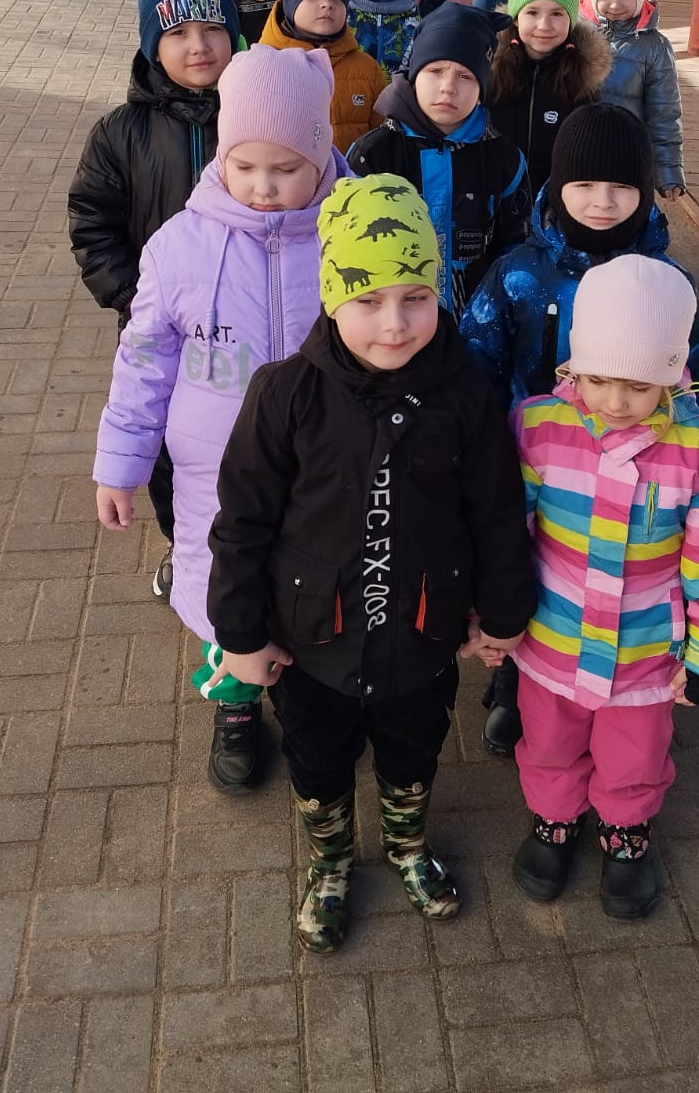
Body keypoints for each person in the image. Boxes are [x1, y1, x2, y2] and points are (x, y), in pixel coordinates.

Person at [205, 175, 537, 953]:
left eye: (416, 298)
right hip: (310, 645)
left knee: (414, 752)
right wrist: (241, 635)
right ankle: (328, 862)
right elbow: (243, 523)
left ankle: (407, 844)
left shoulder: (465, 397)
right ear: (331, 296)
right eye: (368, 299)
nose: (395, 323)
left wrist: (503, 615)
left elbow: (495, 513)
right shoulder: (285, 394)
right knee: (317, 761)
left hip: (422, 639)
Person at [93, 45, 344, 795]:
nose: (264, 187)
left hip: (325, 466)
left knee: (317, 585)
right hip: (217, 473)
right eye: (245, 166)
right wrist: (121, 465)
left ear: (321, 155)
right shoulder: (180, 246)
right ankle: (233, 700)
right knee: (225, 589)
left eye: (286, 169)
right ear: (221, 156)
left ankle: (318, 698)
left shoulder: (351, 235)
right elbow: (143, 363)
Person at [458, 103, 699, 757]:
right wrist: (475, 453)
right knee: (534, 571)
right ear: (558, 185)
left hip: (642, 470)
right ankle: (517, 680)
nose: (603, 201)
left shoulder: (670, 285)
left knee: (615, 579)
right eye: (585, 184)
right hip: (537, 466)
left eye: (622, 186)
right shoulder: (518, 272)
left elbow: (696, 381)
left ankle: (630, 696)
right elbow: (476, 364)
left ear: (644, 190)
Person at [510, 254, 699, 919]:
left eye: (638, 385)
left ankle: (625, 828)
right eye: (598, 379)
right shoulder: (538, 429)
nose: (615, 402)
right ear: (574, 364)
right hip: (553, 637)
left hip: (644, 653)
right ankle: (554, 817)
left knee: (635, 753)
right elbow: (505, 534)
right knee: (549, 740)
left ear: (672, 373)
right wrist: (491, 614)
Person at [69, 0, 241, 599]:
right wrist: (132, 295)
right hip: (162, 332)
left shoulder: (257, 114)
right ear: (151, 45)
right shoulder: (121, 133)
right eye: (177, 33)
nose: (199, 46)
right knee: (174, 447)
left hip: (246, 327)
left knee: (250, 438)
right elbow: (92, 221)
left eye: (213, 28)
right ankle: (185, 545)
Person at [347, 0, 530, 318]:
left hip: (474, 326)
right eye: (435, 71)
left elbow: (516, 248)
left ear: (482, 87)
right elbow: (348, 248)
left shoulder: (504, 160)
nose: (448, 87)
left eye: (465, 76)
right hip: (392, 326)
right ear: (414, 74)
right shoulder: (372, 156)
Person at [487, 0, 610, 195]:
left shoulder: (582, 75)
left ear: (571, 18)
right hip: (495, 193)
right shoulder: (492, 68)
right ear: (516, 18)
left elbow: (587, 148)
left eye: (557, 13)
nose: (544, 25)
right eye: (532, 12)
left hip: (553, 198)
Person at [580, 0, 685, 198]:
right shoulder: (574, 33)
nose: (616, 4)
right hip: (578, 148)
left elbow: (664, 114)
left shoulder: (655, 48)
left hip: (628, 153)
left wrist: (668, 171)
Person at [259, 0, 386, 152]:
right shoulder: (261, 65)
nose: (327, 4)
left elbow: (383, 140)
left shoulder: (367, 70)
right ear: (291, 1)